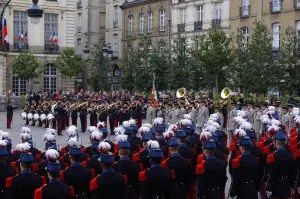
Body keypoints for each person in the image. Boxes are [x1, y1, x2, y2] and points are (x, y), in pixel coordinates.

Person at [265, 131, 295, 199]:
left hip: (276, 187)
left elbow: (271, 173)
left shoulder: (273, 156)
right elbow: (293, 173)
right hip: (287, 186)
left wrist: (268, 187)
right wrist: (292, 187)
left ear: (276, 142)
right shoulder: (290, 155)